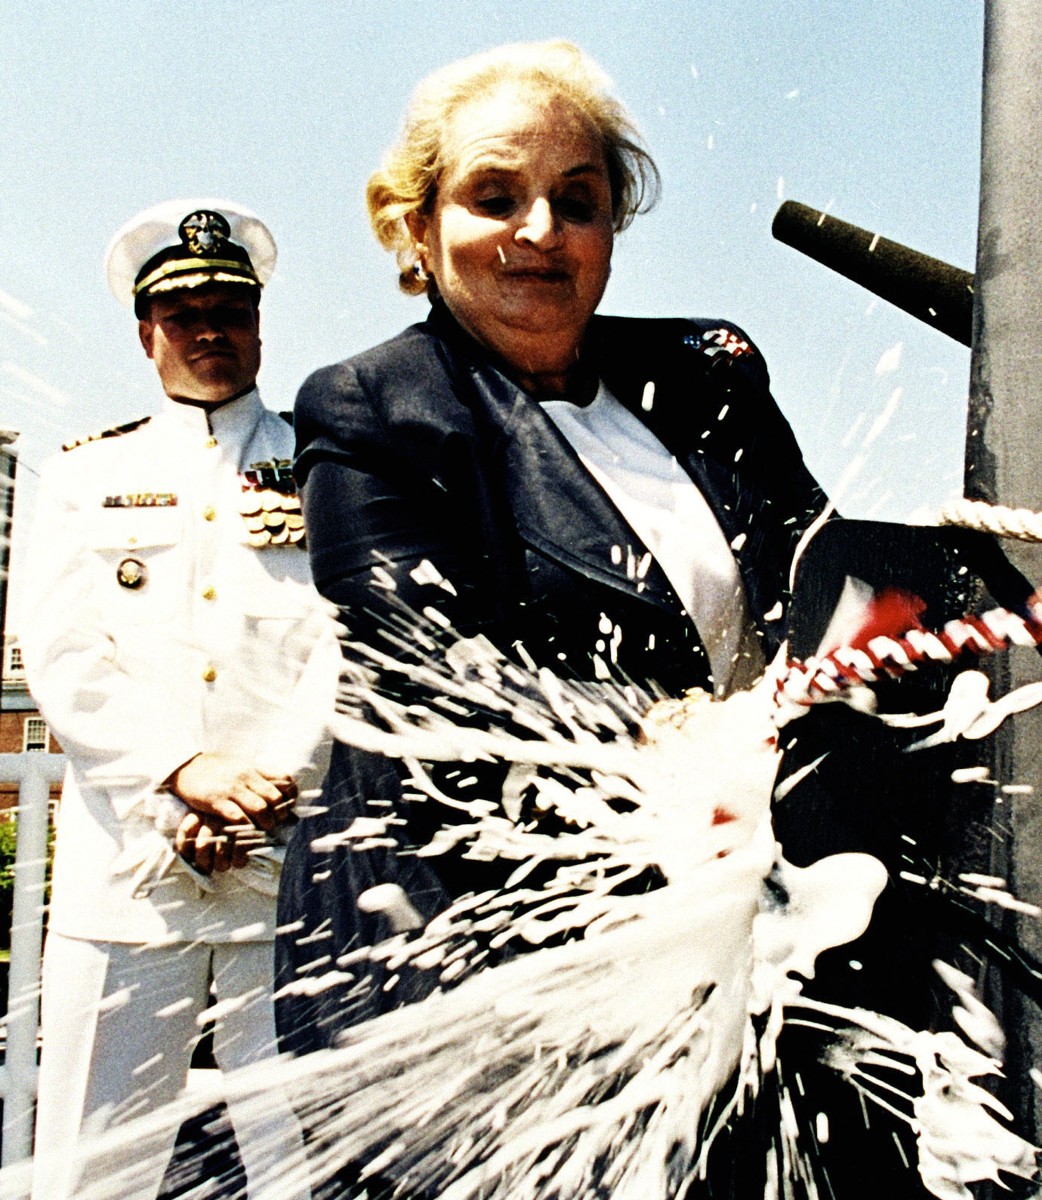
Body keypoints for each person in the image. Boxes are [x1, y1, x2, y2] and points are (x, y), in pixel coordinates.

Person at [276, 38, 826, 1046]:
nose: (539, 230)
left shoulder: (707, 372)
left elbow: (819, 584)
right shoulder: (369, 407)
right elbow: (431, 671)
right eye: (494, 196)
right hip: (468, 958)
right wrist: (671, 741)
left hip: (746, 923)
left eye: (576, 201)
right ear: (417, 225)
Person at [20, 198, 339, 1200]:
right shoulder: (81, 477)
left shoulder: (331, 466)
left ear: (259, 325)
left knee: (309, 1163)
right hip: (130, 878)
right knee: (91, 1168)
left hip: (284, 874)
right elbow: (63, 656)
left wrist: (269, 787)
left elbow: (352, 640)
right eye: (186, 310)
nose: (210, 329)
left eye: (229, 309)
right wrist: (179, 781)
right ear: (146, 331)